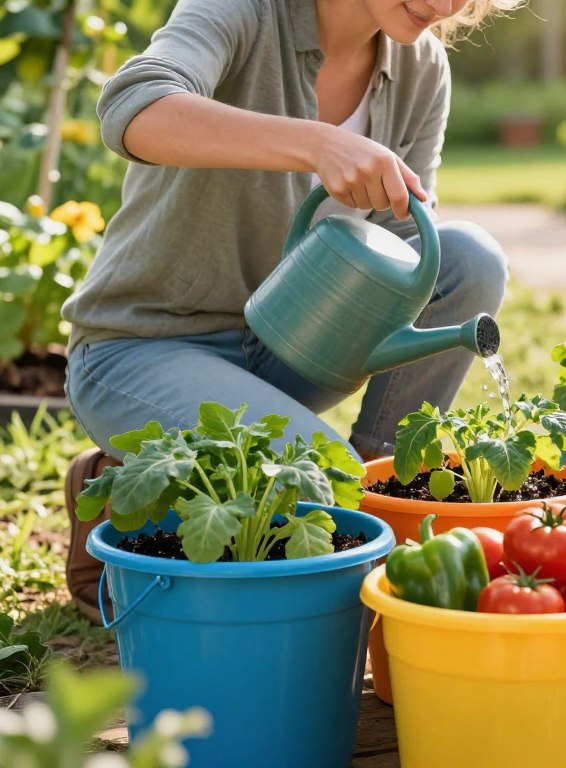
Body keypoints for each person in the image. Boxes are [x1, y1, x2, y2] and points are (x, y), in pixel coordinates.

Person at [61, 0, 516, 622]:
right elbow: (133, 107)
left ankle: (384, 486)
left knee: (468, 258)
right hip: (144, 346)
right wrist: (315, 145)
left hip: (290, 343)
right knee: (317, 476)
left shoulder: (419, 66)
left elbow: (397, 243)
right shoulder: (245, 10)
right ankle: (122, 498)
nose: (448, 5)